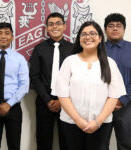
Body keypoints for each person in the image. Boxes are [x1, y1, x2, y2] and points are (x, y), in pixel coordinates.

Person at [55, 21, 126, 150]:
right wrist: (78, 120)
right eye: (84, 34)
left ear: (100, 38)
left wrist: (97, 122)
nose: (88, 37)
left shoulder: (110, 63)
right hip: (71, 123)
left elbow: (113, 96)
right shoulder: (69, 62)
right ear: (79, 39)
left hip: (101, 124)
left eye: (92, 33)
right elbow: (62, 94)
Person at [29, 12, 73, 150]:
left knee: (67, 140)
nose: (55, 27)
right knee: (43, 140)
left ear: (64, 26)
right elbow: (35, 76)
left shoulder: (74, 49)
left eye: (58, 23)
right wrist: (48, 100)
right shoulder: (39, 49)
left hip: (68, 102)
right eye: (51, 24)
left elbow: (76, 77)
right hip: (44, 101)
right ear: (47, 28)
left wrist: (62, 101)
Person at [0, 22, 29, 150]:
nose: (3, 36)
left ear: (12, 37)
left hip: (13, 107)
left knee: (14, 144)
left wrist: (9, 104)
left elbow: (24, 85)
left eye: (7, 33)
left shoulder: (20, 59)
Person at [104, 13, 131, 150]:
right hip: (101, 105)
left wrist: (123, 99)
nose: (115, 29)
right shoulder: (97, 50)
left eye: (118, 26)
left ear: (124, 29)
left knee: (126, 144)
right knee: (99, 144)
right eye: (111, 26)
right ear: (105, 30)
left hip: (126, 106)